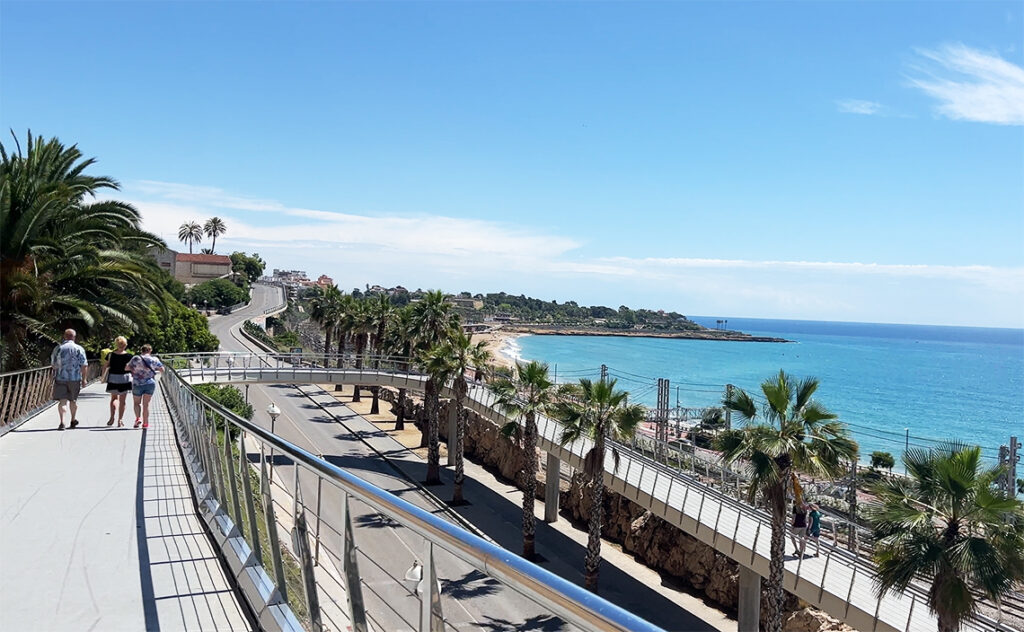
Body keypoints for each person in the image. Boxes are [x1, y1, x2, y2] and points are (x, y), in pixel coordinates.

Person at [51, 328, 89, 430]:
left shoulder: (58, 348)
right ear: (74, 337)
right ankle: (72, 420)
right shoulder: (79, 349)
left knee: (62, 401)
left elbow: (54, 365)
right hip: (75, 378)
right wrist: (84, 379)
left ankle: (62, 422)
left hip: (60, 378)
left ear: (64, 336)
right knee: (73, 400)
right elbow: (84, 365)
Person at [127, 344, 164, 429]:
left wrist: (135, 370)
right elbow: (162, 369)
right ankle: (145, 424)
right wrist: (153, 369)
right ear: (150, 350)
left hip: (137, 383)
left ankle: (137, 419)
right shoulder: (154, 359)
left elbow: (126, 368)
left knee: (136, 403)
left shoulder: (136, 358)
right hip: (150, 383)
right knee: (146, 404)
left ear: (141, 350)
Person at [102, 336, 132, 427]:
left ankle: (112, 417)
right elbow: (131, 368)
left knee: (114, 399)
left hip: (113, 378)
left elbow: (105, 366)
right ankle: (120, 420)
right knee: (123, 401)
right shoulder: (129, 356)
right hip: (124, 378)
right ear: (125, 345)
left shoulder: (111, 355)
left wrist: (102, 377)